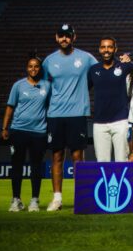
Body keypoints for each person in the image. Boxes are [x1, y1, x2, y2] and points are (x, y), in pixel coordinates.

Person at [42, 23, 98, 211]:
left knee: (77, 157)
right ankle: (57, 199)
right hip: (56, 114)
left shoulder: (86, 58)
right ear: (56, 38)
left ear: (74, 37)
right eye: (61, 35)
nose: (64, 39)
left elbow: (99, 74)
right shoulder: (49, 61)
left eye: (68, 35)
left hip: (77, 113)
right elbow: (43, 86)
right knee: (57, 156)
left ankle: (80, 197)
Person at [2, 54, 51, 212]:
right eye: (30, 66)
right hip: (18, 131)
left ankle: (34, 201)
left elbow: (51, 108)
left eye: (36, 66)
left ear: (40, 68)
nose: (33, 69)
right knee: (17, 166)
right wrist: (4, 128)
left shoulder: (47, 86)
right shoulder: (18, 86)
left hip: (39, 132)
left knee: (36, 167)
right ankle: (16, 200)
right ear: (26, 68)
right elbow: (10, 107)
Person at [88, 36, 133, 162]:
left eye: (109, 47)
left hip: (120, 121)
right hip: (99, 123)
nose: (106, 50)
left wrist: (129, 60)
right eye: (103, 47)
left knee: (122, 161)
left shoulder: (125, 66)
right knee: (102, 163)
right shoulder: (93, 70)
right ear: (99, 49)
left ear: (115, 49)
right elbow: (84, 91)